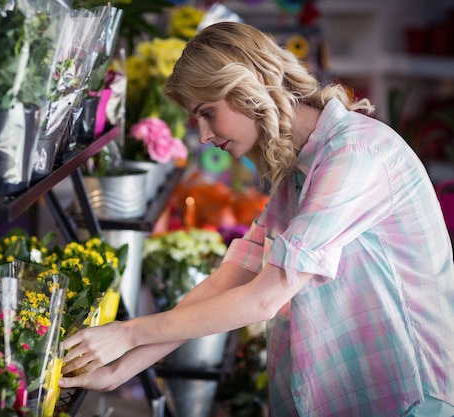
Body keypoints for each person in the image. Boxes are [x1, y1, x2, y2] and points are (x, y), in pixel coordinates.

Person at [59, 21, 454, 416]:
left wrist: (127, 333)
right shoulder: (297, 170)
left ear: (259, 80)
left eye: (208, 113)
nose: (203, 136)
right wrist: (119, 370)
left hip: (408, 400)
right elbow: (231, 277)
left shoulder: (356, 155)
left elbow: (263, 298)